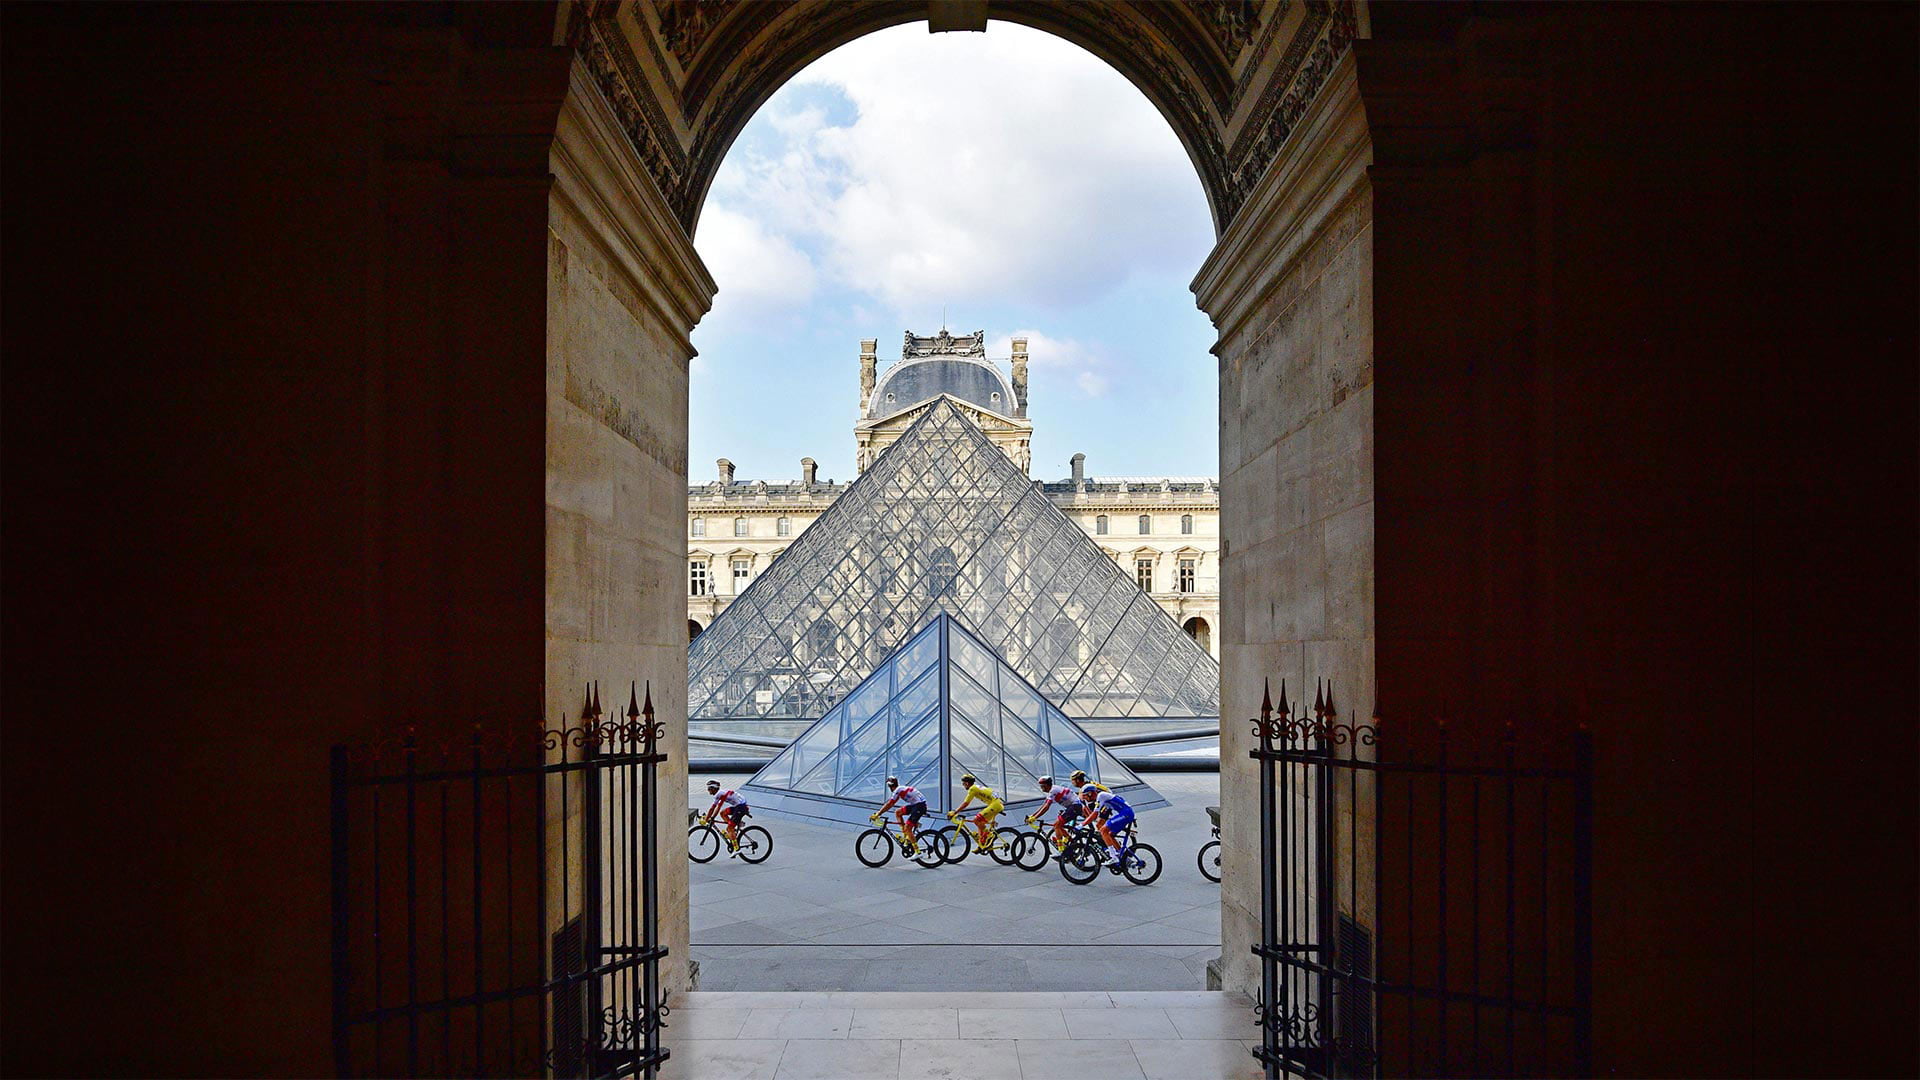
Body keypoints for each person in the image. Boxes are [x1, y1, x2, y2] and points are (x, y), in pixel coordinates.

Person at [1082, 785, 1136, 869]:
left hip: (1126, 814)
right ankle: (1123, 856)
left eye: (1085, 795)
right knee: (1109, 834)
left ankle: (1113, 857)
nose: (1085, 798)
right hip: (1127, 813)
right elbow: (1097, 815)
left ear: (1090, 793)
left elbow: (1094, 814)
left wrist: (1081, 825)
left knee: (1103, 830)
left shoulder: (1101, 796)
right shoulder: (1102, 798)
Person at [872, 775, 929, 852]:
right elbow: (892, 803)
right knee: (898, 812)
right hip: (915, 805)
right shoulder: (900, 789)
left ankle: (917, 852)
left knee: (908, 827)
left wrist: (879, 813)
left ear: (890, 786)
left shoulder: (898, 790)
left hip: (919, 806)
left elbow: (890, 804)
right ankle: (906, 836)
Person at [1025, 774, 1081, 852]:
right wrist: (1033, 815)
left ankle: (1061, 850)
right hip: (1073, 806)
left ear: (1047, 785)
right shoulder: (1052, 789)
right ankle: (1070, 841)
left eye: (1042, 786)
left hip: (1075, 806)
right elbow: (1044, 805)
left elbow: (1046, 807)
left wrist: (1035, 818)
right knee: (1058, 824)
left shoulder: (1053, 791)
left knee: (1057, 825)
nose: (1041, 788)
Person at [952, 772, 1004, 849]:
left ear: (967, 783)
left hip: (995, 805)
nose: (963, 785)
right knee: (980, 823)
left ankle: (989, 834)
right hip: (996, 804)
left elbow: (966, 803)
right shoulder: (976, 787)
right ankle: (982, 845)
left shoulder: (972, 789)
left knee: (976, 820)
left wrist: (955, 812)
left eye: (963, 783)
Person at [702, 779, 750, 856]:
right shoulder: (720, 793)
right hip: (738, 806)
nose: (708, 791)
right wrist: (710, 817)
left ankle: (737, 849)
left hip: (741, 807)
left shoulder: (720, 794)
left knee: (729, 828)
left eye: (709, 789)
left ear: (713, 788)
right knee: (723, 813)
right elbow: (716, 808)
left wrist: (707, 819)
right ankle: (733, 828)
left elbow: (714, 808)